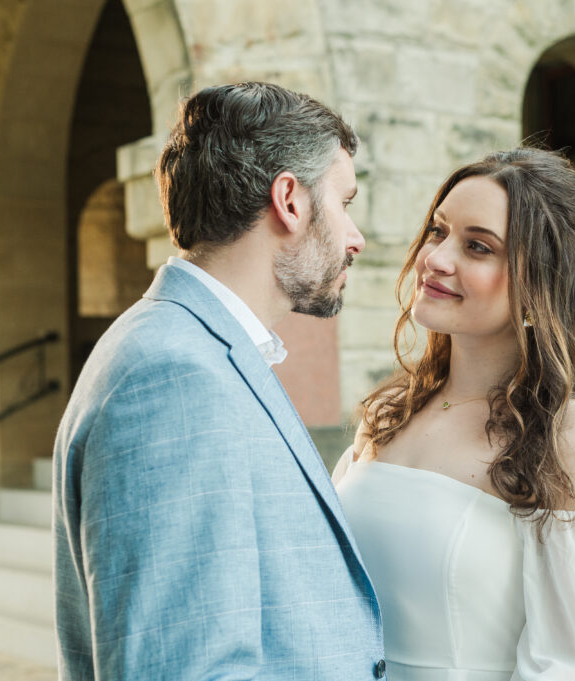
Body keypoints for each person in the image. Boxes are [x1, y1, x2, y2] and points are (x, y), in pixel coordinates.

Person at [53, 82, 386, 680]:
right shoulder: (172, 375)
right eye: (345, 202)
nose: (356, 237)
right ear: (290, 200)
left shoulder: (195, 351)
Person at [333, 147, 575, 680]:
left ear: (537, 283)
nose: (436, 258)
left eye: (478, 246)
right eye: (438, 231)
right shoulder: (389, 413)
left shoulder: (569, 443)